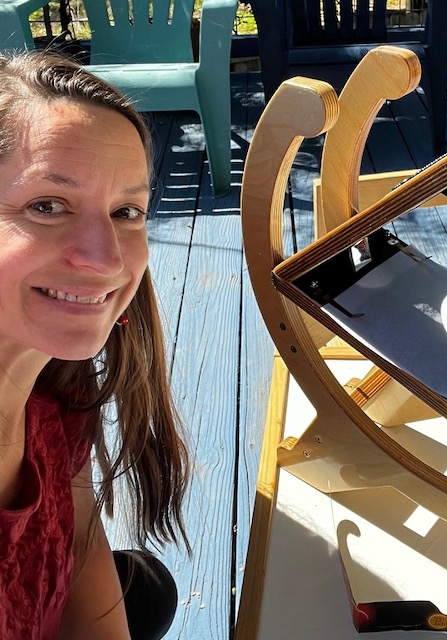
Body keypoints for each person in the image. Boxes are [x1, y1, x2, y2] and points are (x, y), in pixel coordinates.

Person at [0, 49, 190, 638]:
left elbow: (75, 530)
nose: (108, 260)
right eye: (48, 205)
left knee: (147, 588)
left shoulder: (57, 377)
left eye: (126, 210)